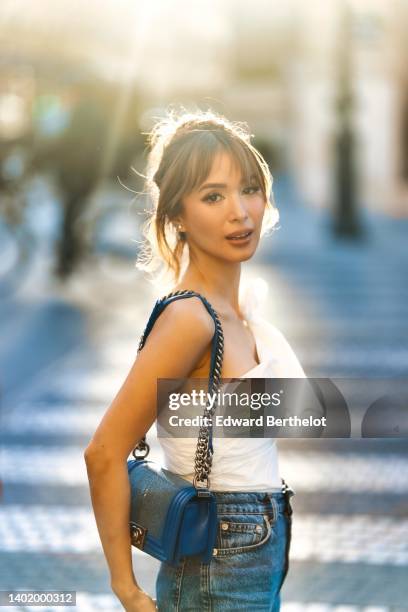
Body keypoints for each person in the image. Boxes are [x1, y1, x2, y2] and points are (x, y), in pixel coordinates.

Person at [84, 109, 306, 611]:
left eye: (248, 188)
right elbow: (103, 452)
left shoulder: (240, 311)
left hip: (257, 546)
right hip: (220, 556)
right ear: (177, 216)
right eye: (213, 196)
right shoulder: (191, 318)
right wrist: (126, 588)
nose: (240, 212)